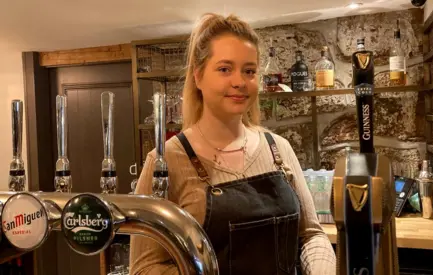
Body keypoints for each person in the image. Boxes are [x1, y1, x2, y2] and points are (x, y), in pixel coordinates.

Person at [129, 12, 336, 275]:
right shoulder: (166, 160)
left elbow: (311, 236)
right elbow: (144, 267)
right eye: (225, 69)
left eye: (249, 71)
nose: (239, 82)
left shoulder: (278, 149)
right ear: (198, 76)